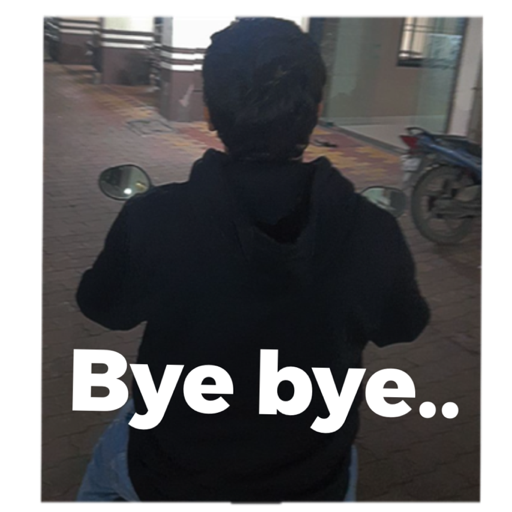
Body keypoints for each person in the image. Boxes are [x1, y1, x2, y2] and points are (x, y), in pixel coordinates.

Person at [75, 15, 430, 505]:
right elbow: (404, 324)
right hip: (313, 482)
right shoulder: (373, 230)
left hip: (170, 473)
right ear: (317, 110)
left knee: (98, 484)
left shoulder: (154, 218)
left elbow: (102, 307)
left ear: (209, 112)